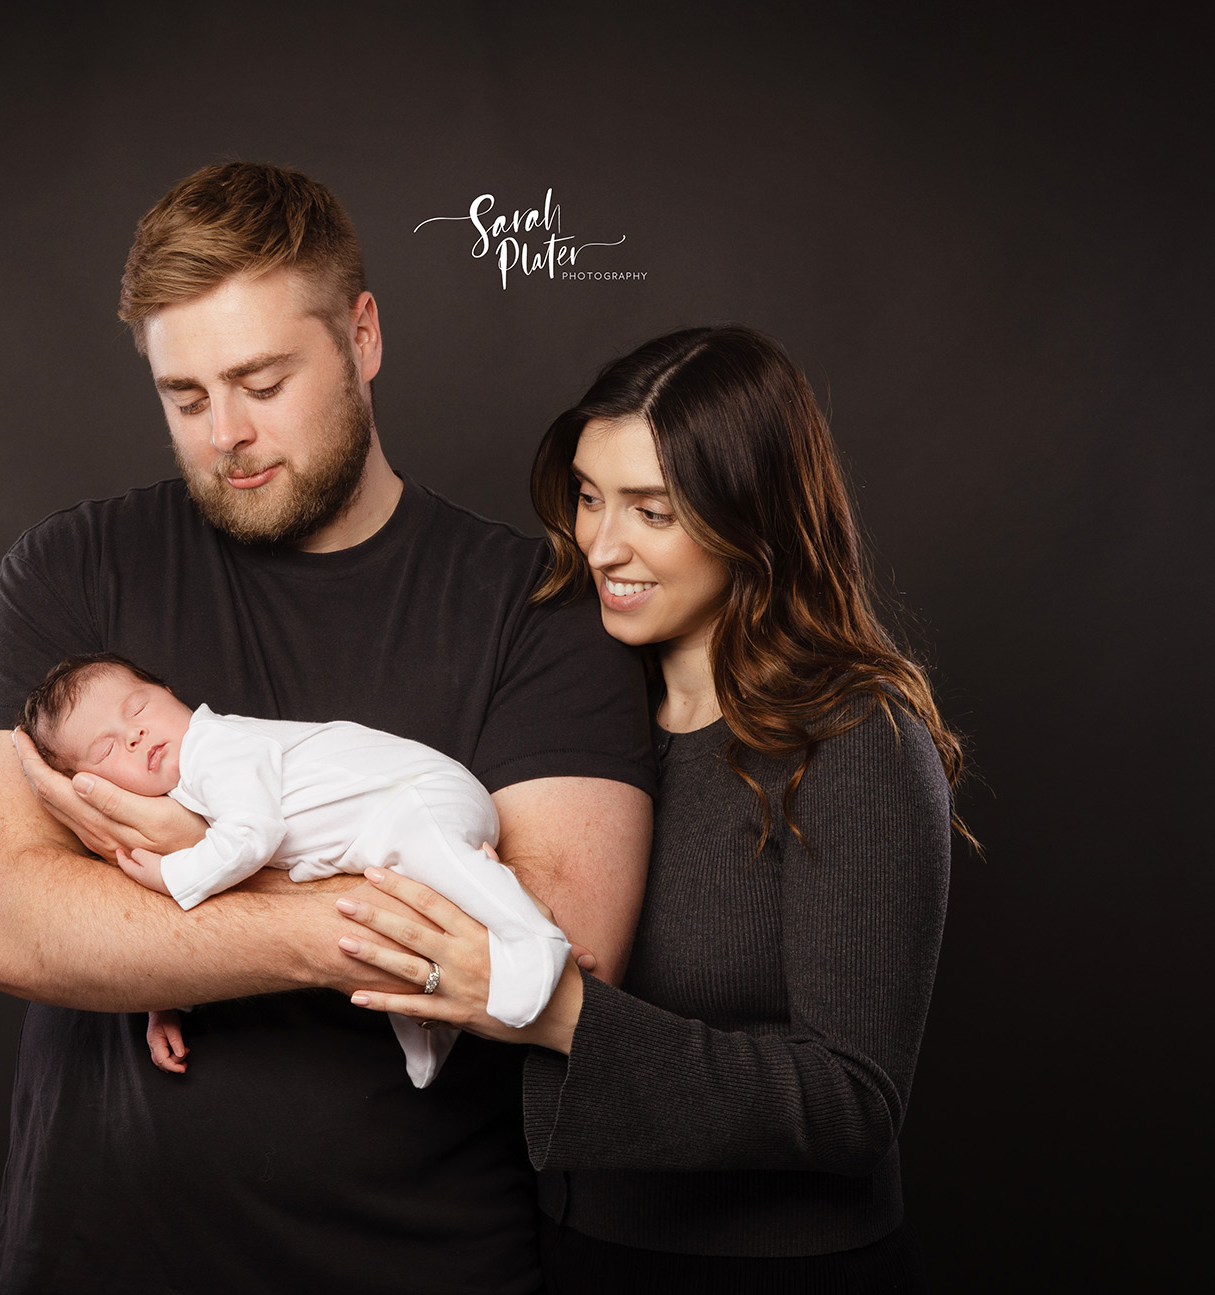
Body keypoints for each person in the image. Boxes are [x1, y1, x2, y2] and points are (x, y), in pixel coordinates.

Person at [0, 161, 654, 1294]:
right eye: (185, 397)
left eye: (262, 381)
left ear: (363, 336)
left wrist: (190, 867)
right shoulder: (70, 572)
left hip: (417, 1264)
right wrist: (335, 909)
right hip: (90, 1259)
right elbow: (5, 924)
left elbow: (551, 949)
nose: (226, 433)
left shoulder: (539, 610)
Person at [337, 325, 966, 1292]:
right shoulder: (572, 713)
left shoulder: (854, 738)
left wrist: (560, 1012)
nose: (600, 544)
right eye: (589, 497)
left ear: (752, 518)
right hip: (574, 1251)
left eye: (653, 510)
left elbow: (854, 1103)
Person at [18, 651, 570, 1087]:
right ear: (95, 787)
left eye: (137, 708)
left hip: (415, 797)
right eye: (106, 749)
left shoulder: (215, 747)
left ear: (170, 693)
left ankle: (537, 944)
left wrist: (172, 877)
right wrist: (162, 1003)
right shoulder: (181, 796)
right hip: (370, 840)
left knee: (441, 865)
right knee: (399, 921)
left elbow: (252, 835)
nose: (134, 735)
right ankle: (435, 1028)